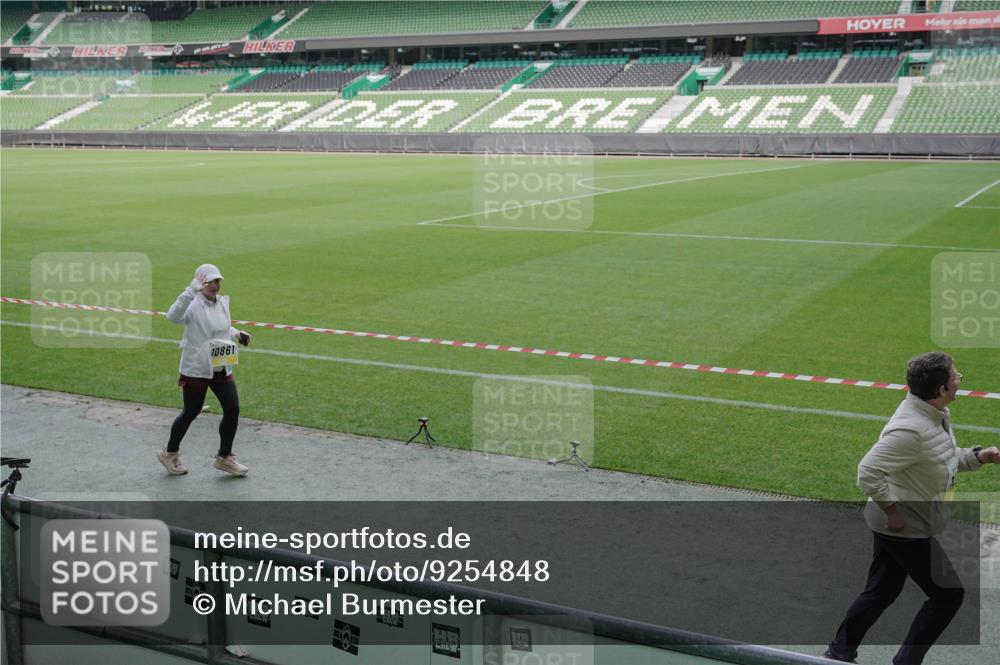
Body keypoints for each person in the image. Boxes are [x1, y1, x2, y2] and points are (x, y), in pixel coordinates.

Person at [825, 351, 999, 664]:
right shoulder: (911, 429)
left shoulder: (934, 414)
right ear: (941, 390)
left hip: (906, 524)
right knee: (948, 595)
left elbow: (938, 459)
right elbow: (867, 472)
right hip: (904, 529)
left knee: (881, 591)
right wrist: (893, 512)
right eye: (956, 377)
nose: (960, 380)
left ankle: (838, 652)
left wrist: (977, 456)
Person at [157, 264, 252, 477]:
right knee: (191, 411)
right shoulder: (192, 304)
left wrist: (237, 334)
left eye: (217, 281)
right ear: (200, 284)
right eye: (209, 281)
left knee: (232, 408)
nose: (215, 286)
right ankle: (169, 453)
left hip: (220, 364)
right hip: (196, 368)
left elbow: (222, 328)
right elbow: (172, 316)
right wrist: (189, 291)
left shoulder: (221, 302)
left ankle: (224, 457)